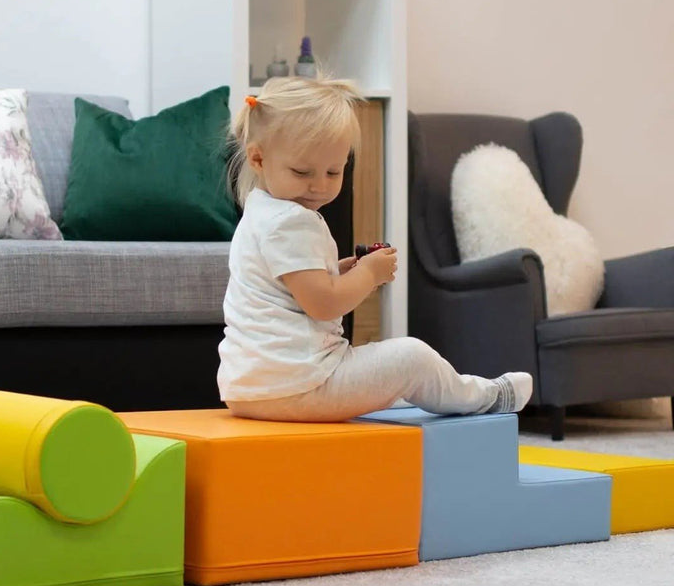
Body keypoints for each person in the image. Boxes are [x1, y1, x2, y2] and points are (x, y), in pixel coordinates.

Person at [218, 75, 533, 423]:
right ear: (258, 159)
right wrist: (368, 275)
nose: (319, 186)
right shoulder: (292, 221)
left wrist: (338, 271)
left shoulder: (259, 213)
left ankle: (415, 395)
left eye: (334, 171)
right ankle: (482, 396)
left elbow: (292, 287)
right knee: (411, 357)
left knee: (394, 376)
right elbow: (323, 304)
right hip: (300, 385)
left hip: (248, 389)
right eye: (302, 171)